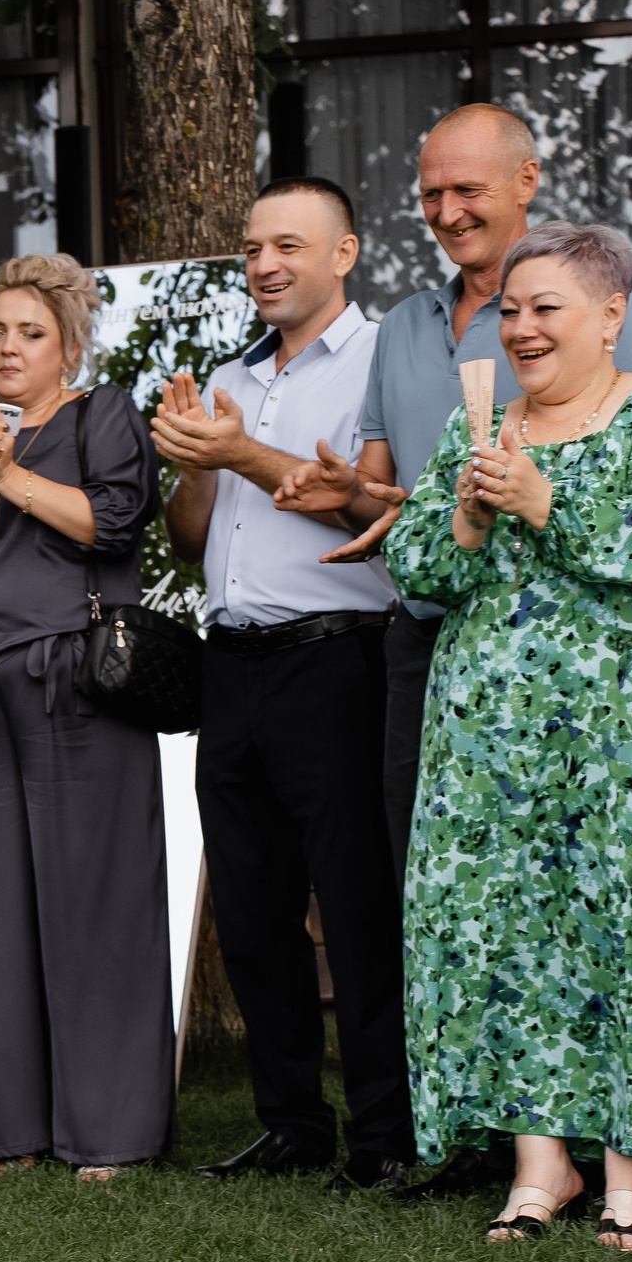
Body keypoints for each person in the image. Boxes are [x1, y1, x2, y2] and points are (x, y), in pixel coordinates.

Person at [271, 101, 632, 1204]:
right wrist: (342, 491)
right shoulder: (398, 323)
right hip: (427, 636)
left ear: (526, 183)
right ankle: (464, 1138)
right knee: (432, 892)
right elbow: (390, 484)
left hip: (565, 658)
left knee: (567, 890)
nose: (444, 212)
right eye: (429, 193)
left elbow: (614, 464)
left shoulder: (571, 302)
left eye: (466, 190)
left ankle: (582, 1141)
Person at [383, 221, 632, 1248]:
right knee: (505, 927)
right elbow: (416, 575)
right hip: (487, 734)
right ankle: (541, 1169)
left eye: (546, 309)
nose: (523, 329)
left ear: (609, 313)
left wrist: (544, 506)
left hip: (625, 737)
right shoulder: (474, 425)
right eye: (511, 312)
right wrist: (466, 517)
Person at [148, 179, 413, 1191]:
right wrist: (194, 468)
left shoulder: (382, 363)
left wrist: (238, 454)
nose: (262, 264)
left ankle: (384, 1136)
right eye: (253, 247)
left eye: (287, 246)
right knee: (253, 916)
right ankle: (292, 1124)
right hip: (232, 663)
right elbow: (190, 541)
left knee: (354, 911)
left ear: (342, 253)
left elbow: (371, 513)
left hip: (337, 659)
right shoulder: (230, 373)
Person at [0, 254, 173, 1180]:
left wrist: (14, 482)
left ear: (68, 345)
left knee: (94, 905)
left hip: (76, 675)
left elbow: (117, 523)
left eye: (30, 332)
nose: (8, 347)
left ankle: (109, 1132)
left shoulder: (103, 416)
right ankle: (9, 1128)